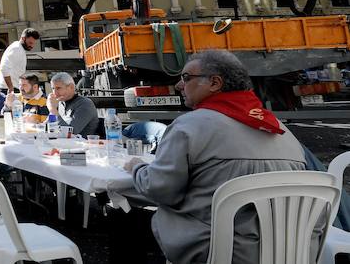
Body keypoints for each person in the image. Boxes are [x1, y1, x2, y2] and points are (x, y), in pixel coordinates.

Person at [122, 50, 307, 264]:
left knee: (127, 219)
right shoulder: (279, 129)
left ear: (215, 83)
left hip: (222, 250)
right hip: (290, 249)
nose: (179, 86)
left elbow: (161, 191)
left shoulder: (188, 127)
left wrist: (137, 167)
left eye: (186, 78)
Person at [49, 71, 99, 136]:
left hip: (84, 144)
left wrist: (52, 109)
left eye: (58, 88)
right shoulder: (60, 103)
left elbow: (70, 133)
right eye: (53, 88)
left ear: (71, 87)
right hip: (64, 143)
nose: (55, 93)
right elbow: (49, 126)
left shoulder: (85, 104)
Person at [0, 28, 39, 94]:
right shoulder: (16, 48)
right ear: (23, 38)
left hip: (9, 88)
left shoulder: (18, 48)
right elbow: (4, 68)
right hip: (7, 89)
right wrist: (10, 88)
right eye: (30, 43)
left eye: (33, 43)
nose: (32, 46)